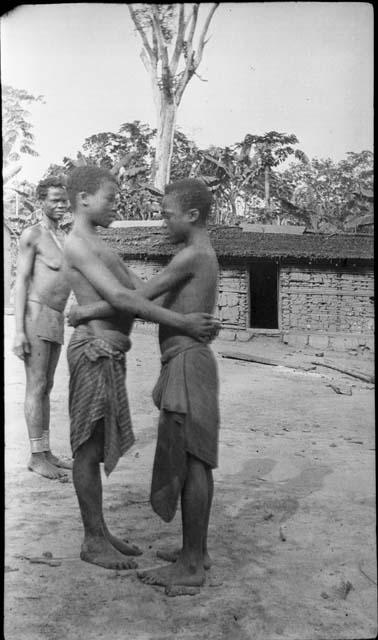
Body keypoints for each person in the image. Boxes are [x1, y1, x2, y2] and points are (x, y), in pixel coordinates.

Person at [63, 166, 217, 571]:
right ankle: (94, 538)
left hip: (112, 352)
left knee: (99, 445)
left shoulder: (101, 246)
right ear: (82, 200)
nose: (117, 205)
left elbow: (139, 293)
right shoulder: (78, 244)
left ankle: (102, 532)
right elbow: (123, 296)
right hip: (95, 349)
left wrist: (86, 310)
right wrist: (183, 322)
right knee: (89, 447)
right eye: (110, 198)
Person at [12, 176, 72, 480]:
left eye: (64, 200)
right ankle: (36, 457)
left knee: (47, 387)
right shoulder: (32, 235)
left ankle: (46, 451)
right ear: (41, 202)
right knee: (36, 386)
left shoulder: (62, 235)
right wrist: (19, 330)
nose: (61, 205)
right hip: (36, 314)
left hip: (55, 317)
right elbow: (21, 282)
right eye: (55, 200)